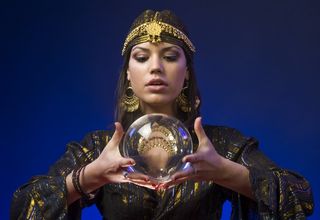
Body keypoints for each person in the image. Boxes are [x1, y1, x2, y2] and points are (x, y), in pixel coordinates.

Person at [11, 9, 314, 219]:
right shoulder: (101, 149)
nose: (155, 67)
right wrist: (88, 177)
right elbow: (23, 206)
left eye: (170, 56)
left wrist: (226, 172)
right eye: (142, 57)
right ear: (129, 73)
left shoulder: (219, 144)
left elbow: (301, 196)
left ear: (186, 74)